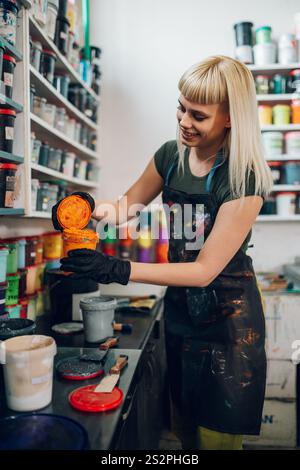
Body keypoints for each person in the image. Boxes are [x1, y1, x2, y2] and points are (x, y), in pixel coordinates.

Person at [53, 55, 273, 450]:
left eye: (199, 116)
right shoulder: (170, 156)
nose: (184, 121)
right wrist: (89, 210)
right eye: (181, 108)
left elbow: (204, 270)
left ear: (229, 118)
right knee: (184, 430)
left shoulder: (244, 179)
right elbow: (126, 207)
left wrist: (117, 268)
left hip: (227, 325)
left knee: (215, 440)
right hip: (181, 312)